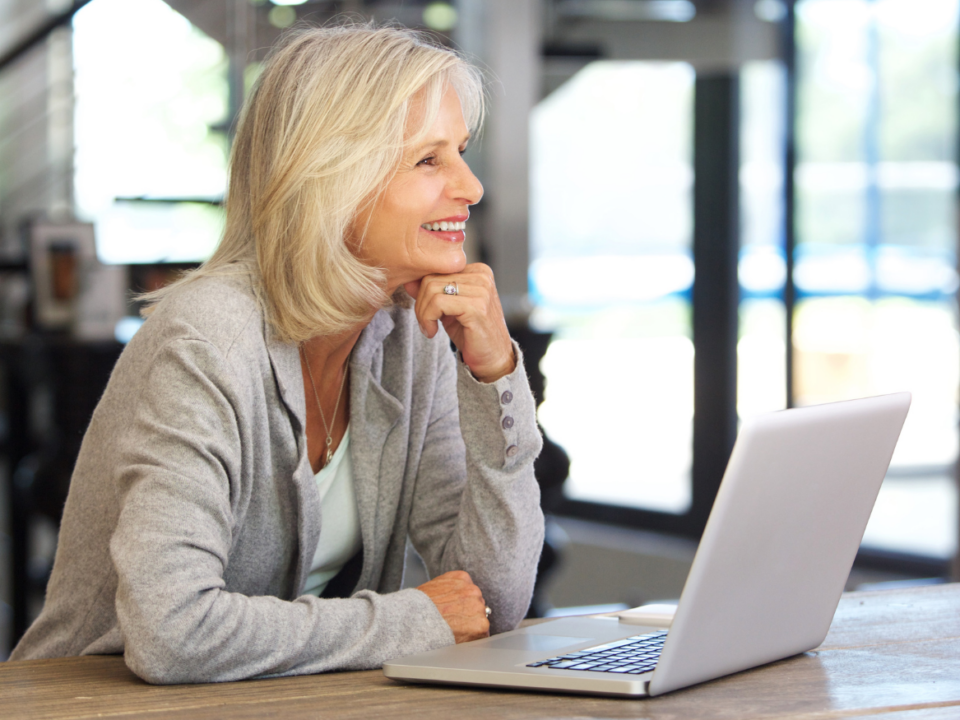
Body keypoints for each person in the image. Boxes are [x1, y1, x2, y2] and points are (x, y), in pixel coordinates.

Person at [10, 23, 545, 683]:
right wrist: (417, 622)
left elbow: (491, 598)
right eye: (428, 159)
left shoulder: (419, 331)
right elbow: (173, 634)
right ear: (331, 178)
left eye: (461, 152)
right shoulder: (207, 338)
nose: (471, 187)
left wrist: (495, 377)